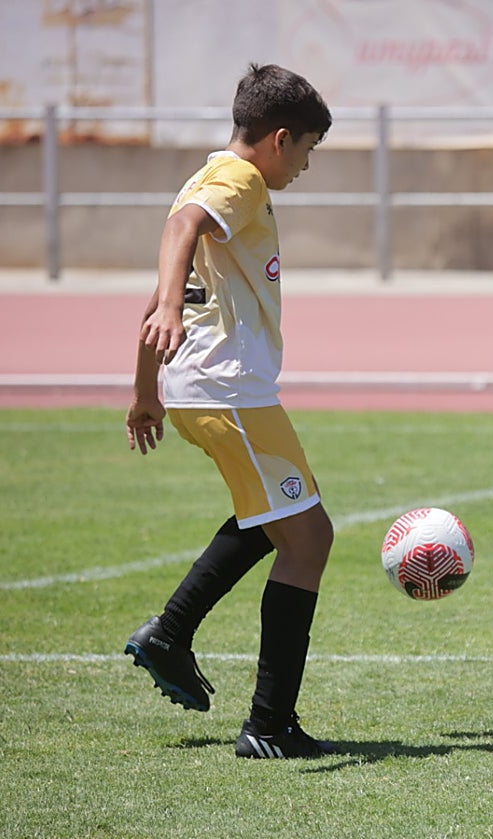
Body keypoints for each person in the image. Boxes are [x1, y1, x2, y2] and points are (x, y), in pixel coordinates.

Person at [123, 63, 338, 758]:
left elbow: (180, 276)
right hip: (230, 391)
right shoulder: (238, 182)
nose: (306, 164)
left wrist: (145, 389)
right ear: (280, 139)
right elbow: (182, 231)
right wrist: (158, 324)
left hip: (201, 390)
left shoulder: (209, 175)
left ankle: (172, 633)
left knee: (275, 518)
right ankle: (268, 726)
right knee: (308, 539)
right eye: (308, 149)